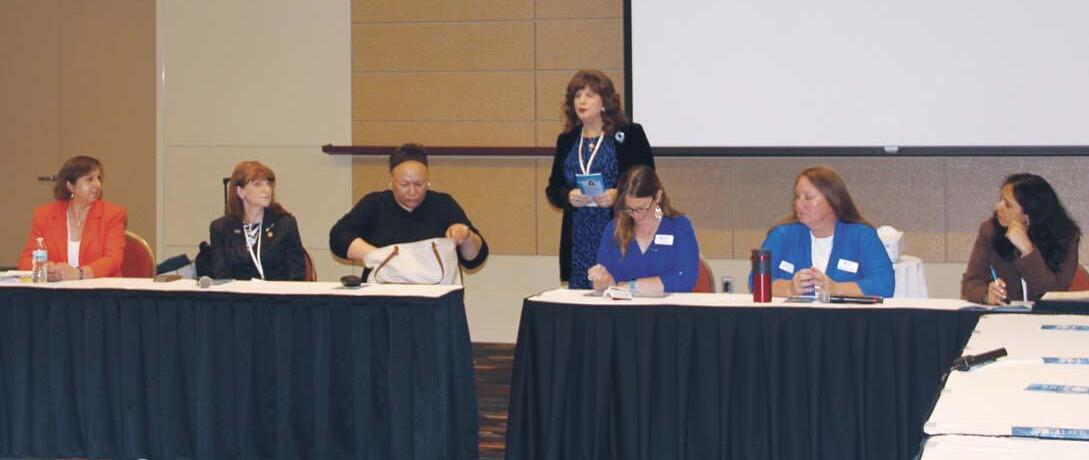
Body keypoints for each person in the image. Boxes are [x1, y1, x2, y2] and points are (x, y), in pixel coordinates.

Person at [546, 70, 654, 288]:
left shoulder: (629, 134)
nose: (582, 101)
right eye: (577, 96)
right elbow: (553, 188)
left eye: (589, 95)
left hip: (620, 232)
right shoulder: (567, 140)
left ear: (605, 101)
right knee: (582, 301)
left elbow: (647, 182)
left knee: (618, 296)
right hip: (579, 239)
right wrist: (568, 196)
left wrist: (619, 195)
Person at [329, 143, 488, 279]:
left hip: (433, 297)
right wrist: (378, 256)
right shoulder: (374, 204)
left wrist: (466, 236)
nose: (412, 192)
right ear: (392, 181)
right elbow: (338, 237)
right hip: (383, 297)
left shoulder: (444, 204)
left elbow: (474, 260)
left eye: (419, 184)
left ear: (427, 180)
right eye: (404, 184)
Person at [753, 166, 894, 298]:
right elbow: (755, 282)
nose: (799, 204)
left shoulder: (862, 235)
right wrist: (789, 288)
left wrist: (837, 289)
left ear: (833, 200)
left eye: (808, 198)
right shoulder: (781, 235)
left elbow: (884, 285)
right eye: (797, 197)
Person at [962, 173, 1081, 304]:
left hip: (1045, 314)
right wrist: (987, 296)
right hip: (1002, 314)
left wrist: (1027, 250)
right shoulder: (990, 231)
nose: (998, 206)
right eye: (1001, 199)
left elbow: (1052, 293)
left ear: (1028, 215)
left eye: (1007, 205)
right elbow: (971, 283)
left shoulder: (1066, 237)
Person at [587, 166, 699, 294]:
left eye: (641, 208)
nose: (636, 215)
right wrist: (602, 281)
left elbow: (685, 280)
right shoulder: (613, 229)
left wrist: (632, 287)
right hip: (624, 306)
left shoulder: (678, 226)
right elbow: (609, 281)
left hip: (668, 307)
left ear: (658, 196)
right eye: (629, 209)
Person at [17, 155, 127, 280]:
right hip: (56, 290)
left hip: (100, 290)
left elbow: (113, 259)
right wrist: (47, 269)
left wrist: (79, 274)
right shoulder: (44, 215)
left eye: (99, 178)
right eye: (90, 179)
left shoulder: (113, 214)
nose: (97, 184)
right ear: (70, 186)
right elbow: (25, 261)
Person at [209, 161, 307, 281]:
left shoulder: (284, 224)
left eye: (268, 184)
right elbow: (221, 276)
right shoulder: (220, 228)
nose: (266, 190)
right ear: (240, 192)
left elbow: (297, 275)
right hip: (237, 292)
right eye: (258, 184)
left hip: (277, 292)